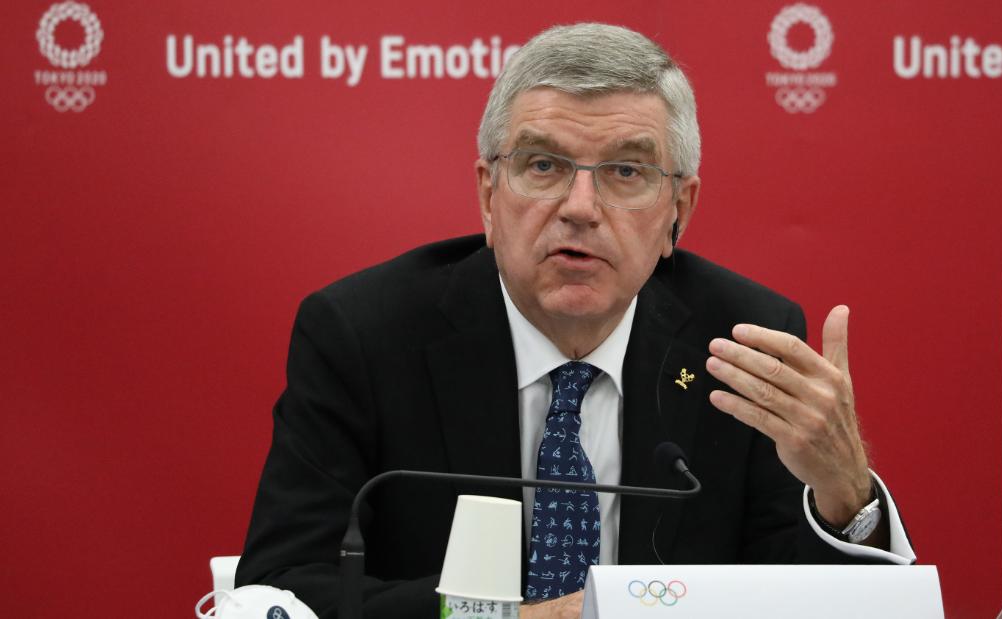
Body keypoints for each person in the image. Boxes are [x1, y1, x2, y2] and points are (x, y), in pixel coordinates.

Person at [237, 23, 915, 619]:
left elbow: (797, 599)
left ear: (680, 209)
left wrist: (845, 494)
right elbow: (280, 589)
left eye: (625, 170)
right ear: (487, 194)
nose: (581, 207)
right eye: (543, 164)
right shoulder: (362, 336)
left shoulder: (741, 343)